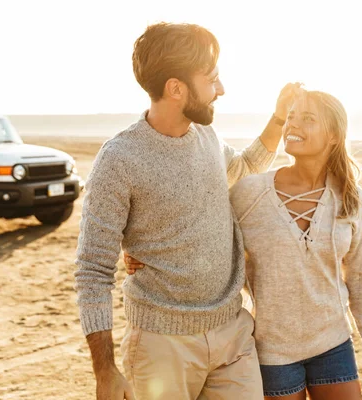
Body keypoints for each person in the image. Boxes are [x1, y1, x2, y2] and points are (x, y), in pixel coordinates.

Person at [74, 22, 299, 400]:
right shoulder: (119, 159)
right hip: (162, 346)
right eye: (212, 79)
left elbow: (243, 167)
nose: (221, 89)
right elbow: (93, 269)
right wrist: (105, 370)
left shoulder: (207, 136)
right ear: (176, 88)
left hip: (233, 332)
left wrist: (278, 119)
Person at [126, 90, 362, 399]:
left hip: (333, 345)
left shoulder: (350, 198)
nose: (293, 125)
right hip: (272, 352)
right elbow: (196, 220)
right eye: (291, 117)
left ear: (333, 135)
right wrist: (139, 247)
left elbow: (361, 279)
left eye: (308, 119)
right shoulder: (251, 193)